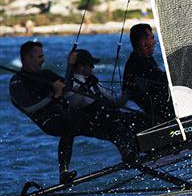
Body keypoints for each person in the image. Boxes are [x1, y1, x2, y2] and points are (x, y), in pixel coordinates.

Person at [9, 42, 139, 183]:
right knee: (68, 126)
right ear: (28, 59)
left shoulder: (46, 74)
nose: (43, 60)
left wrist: (70, 66)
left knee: (105, 118)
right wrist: (54, 95)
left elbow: (68, 86)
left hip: (68, 114)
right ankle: (63, 172)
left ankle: (127, 152)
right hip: (48, 121)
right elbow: (29, 107)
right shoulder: (17, 82)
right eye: (40, 56)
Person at [123, 23, 174, 125]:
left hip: (159, 105)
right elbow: (159, 79)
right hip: (158, 111)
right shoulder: (137, 62)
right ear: (143, 43)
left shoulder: (144, 58)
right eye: (152, 38)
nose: (154, 42)